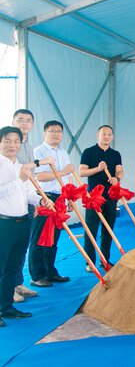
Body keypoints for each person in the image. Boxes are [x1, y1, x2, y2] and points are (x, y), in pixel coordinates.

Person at [0, 126, 53, 326]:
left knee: (13, 268)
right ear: (0, 142)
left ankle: (6, 307)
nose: (12, 145)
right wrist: (19, 179)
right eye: (7, 140)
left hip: (23, 222)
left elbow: (28, 192)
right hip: (3, 223)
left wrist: (41, 201)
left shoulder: (21, 166)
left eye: (16, 141)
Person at [11, 110, 54, 301]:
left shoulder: (27, 146)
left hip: (25, 199)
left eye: (28, 120)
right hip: (9, 202)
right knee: (8, 247)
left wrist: (35, 200)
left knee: (21, 245)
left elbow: (30, 178)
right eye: (20, 120)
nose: (24, 123)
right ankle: (8, 288)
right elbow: (21, 170)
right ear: (13, 122)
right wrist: (40, 162)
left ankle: (18, 284)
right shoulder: (9, 146)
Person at [28, 121, 73, 288]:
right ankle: (37, 275)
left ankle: (50, 271)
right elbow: (39, 176)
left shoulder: (64, 153)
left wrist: (68, 197)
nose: (56, 134)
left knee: (54, 238)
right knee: (39, 237)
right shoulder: (38, 152)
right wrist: (63, 172)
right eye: (52, 131)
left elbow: (67, 178)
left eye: (59, 131)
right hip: (44, 198)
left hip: (60, 198)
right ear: (45, 133)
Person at [79, 125, 123, 272]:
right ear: (97, 135)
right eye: (104, 134)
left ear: (113, 137)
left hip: (111, 197)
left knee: (108, 229)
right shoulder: (89, 152)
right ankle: (89, 262)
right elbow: (82, 172)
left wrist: (117, 179)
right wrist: (98, 168)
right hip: (93, 197)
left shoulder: (115, 154)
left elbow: (120, 171)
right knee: (90, 230)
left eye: (109, 134)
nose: (107, 136)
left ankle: (105, 259)